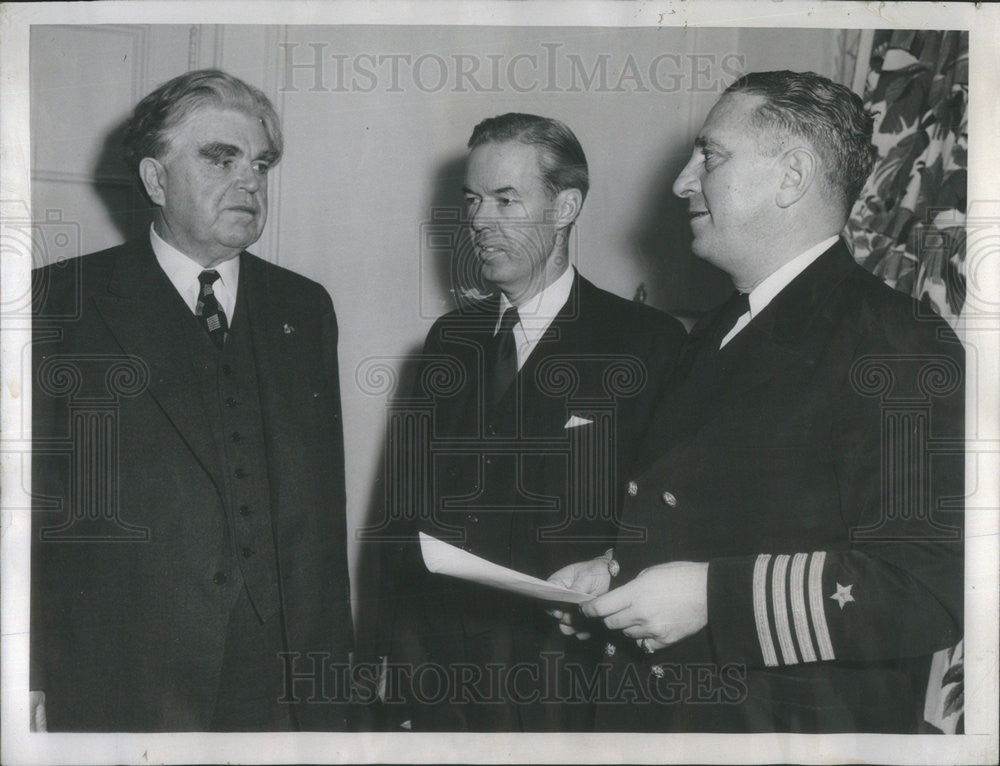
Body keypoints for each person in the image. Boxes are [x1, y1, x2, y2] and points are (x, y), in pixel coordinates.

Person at [549, 70, 965, 733]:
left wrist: (717, 597)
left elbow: (926, 590)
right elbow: (720, 516)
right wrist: (616, 574)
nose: (684, 182)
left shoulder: (894, 342)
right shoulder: (719, 330)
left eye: (710, 156)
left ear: (791, 176)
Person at [30, 69, 354, 731]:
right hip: (120, 675)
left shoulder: (304, 307)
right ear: (155, 179)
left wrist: (335, 682)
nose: (251, 181)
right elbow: (21, 508)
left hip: (279, 681)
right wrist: (25, 672)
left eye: (261, 163)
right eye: (221, 158)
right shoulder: (58, 304)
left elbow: (323, 518)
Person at [377, 113, 686, 731]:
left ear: (565, 206)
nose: (479, 222)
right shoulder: (448, 341)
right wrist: (394, 669)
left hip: (567, 682)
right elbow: (400, 522)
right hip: (443, 683)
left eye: (505, 200)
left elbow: (667, 515)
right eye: (472, 200)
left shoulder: (645, 343)